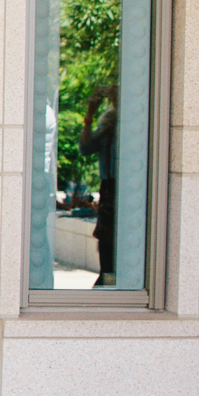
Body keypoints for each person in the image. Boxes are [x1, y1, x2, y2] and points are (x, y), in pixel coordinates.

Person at [79, 83, 118, 287]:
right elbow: (85, 147)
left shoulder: (133, 120)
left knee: (111, 246)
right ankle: (106, 281)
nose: (112, 90)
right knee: (106, 245)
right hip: (109, 189)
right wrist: (90, 113)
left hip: (121, 189)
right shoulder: (108, 120)